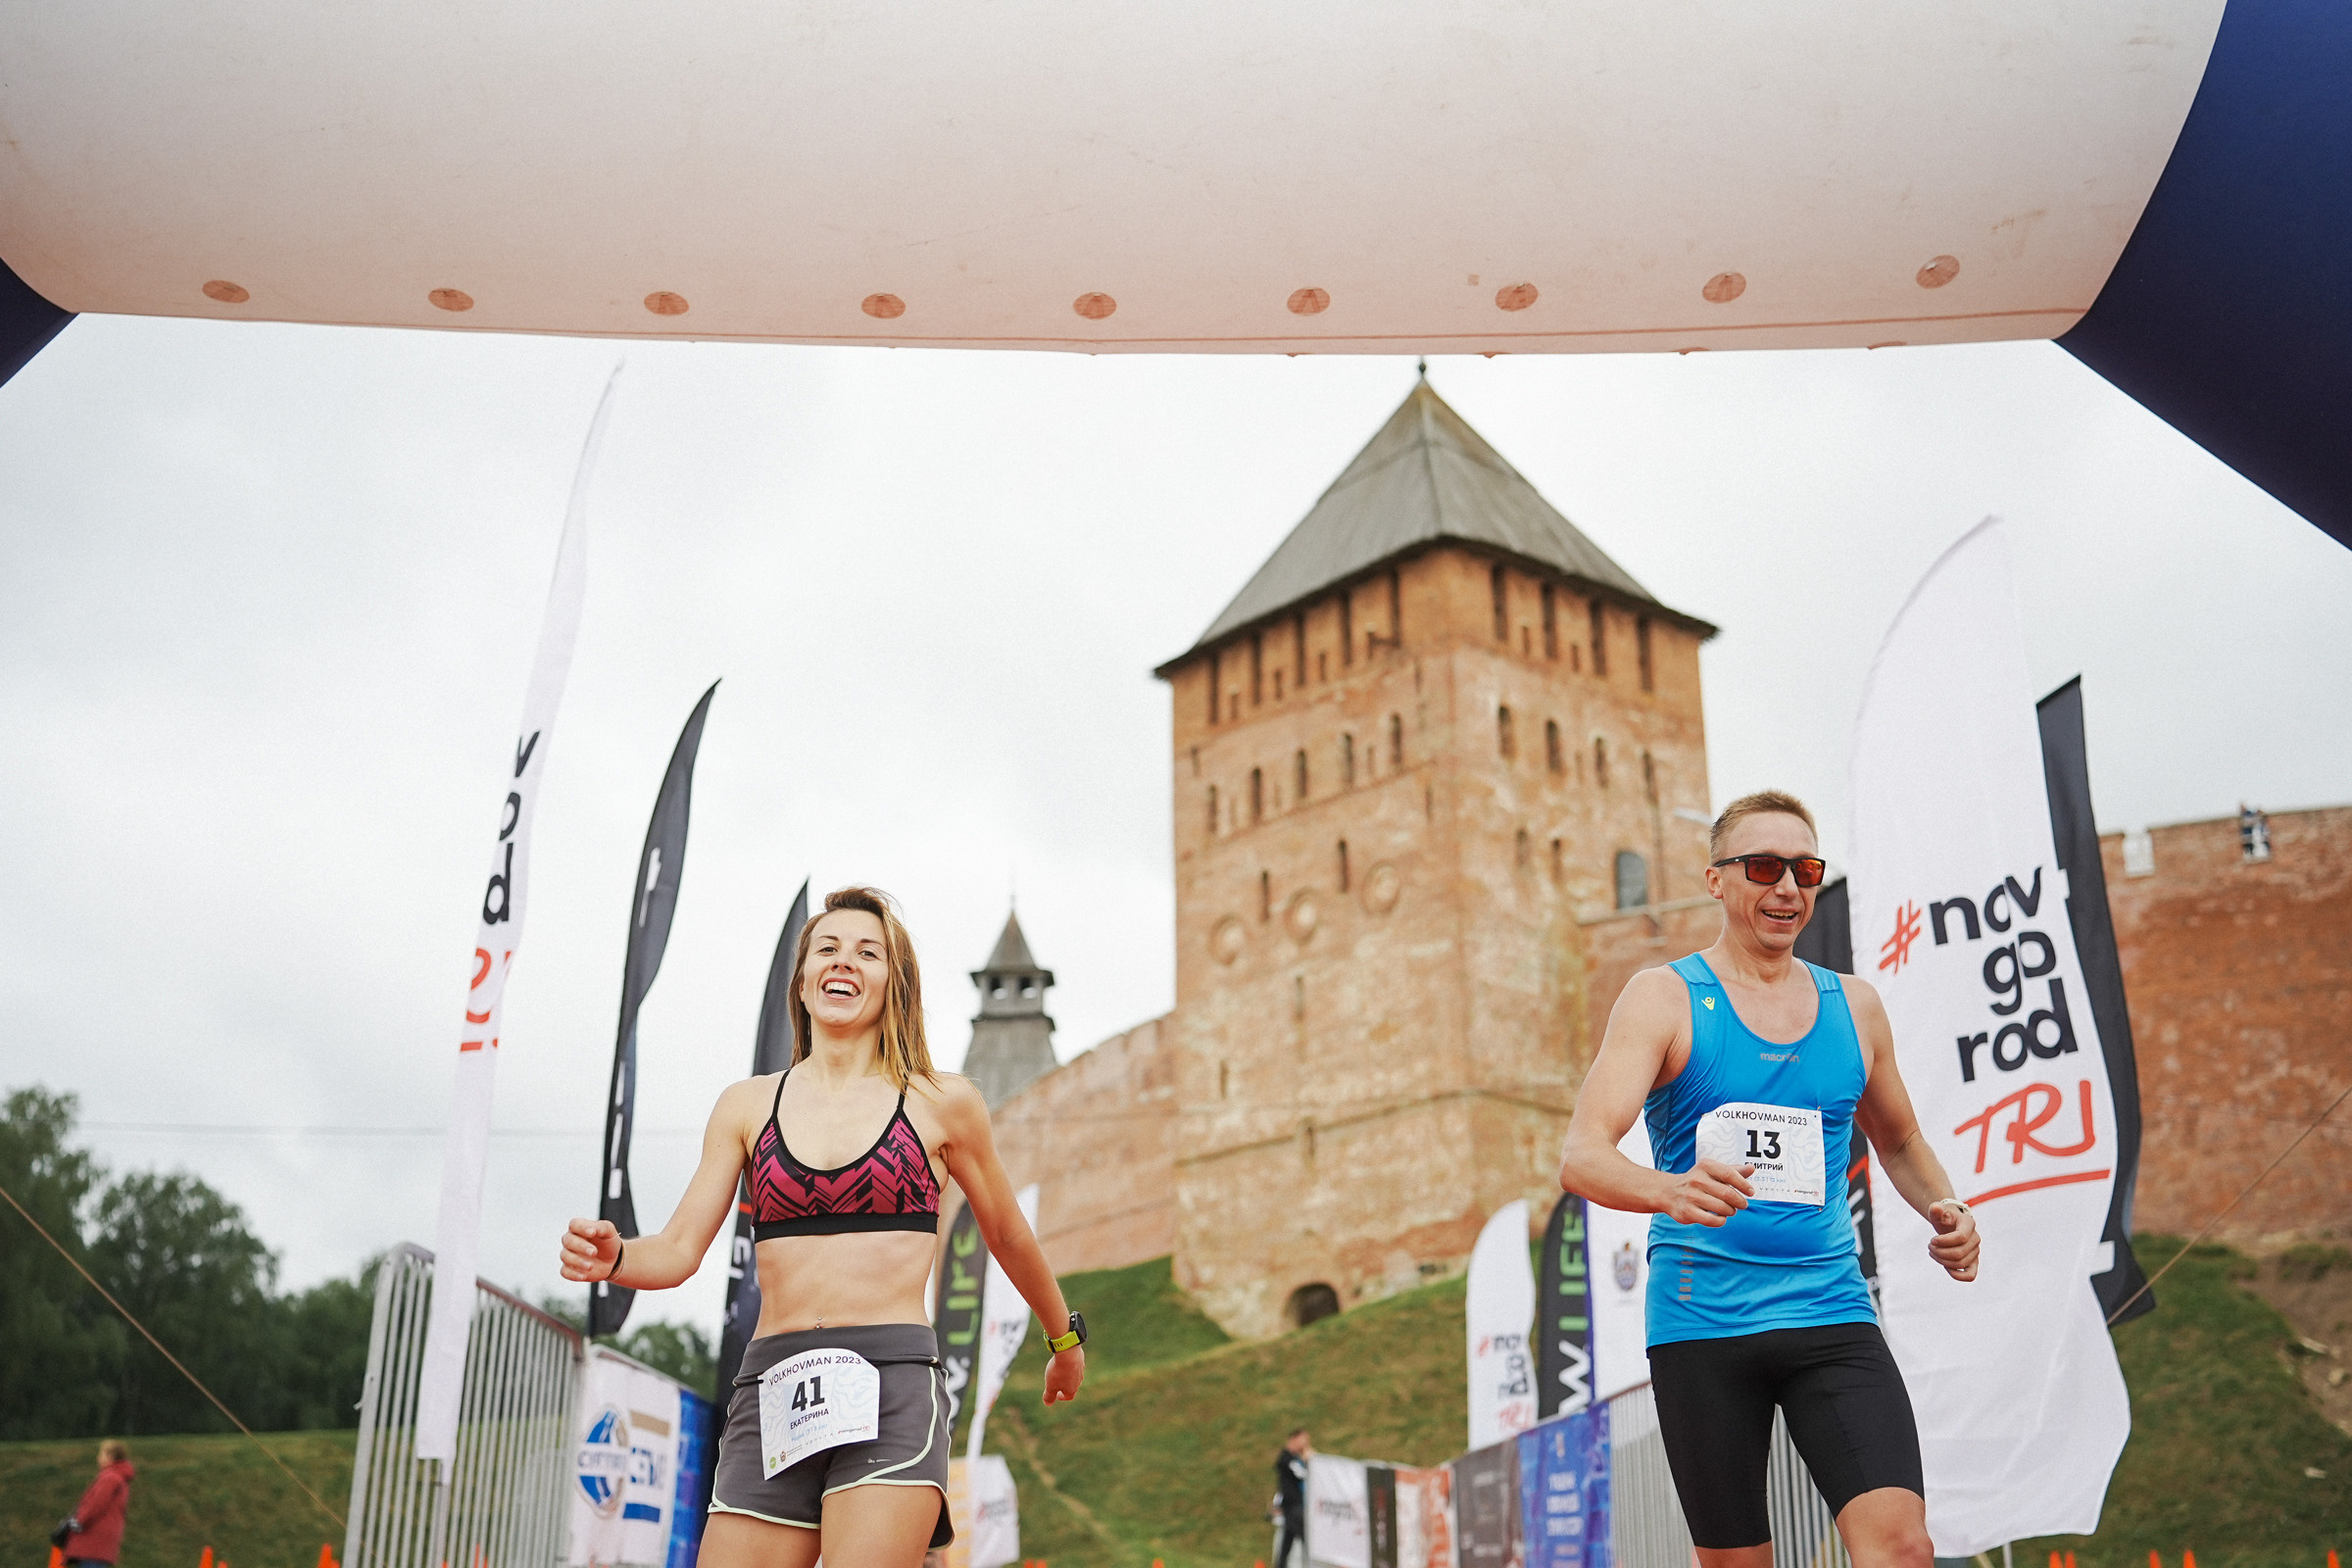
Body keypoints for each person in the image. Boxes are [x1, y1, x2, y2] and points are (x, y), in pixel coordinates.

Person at [561, 887, 1086, 1568]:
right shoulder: (746, 1106)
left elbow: (1009, 1235)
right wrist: (618, 1257)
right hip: (773, 1386)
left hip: (892, 1383)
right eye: (827, 949)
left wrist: (1064, 1337)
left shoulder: (942, 1102)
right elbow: (679, 1248)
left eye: (868, 952)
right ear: (804, 979)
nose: (845, 962)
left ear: (893, 983)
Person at [1557, 791, 1979, 1568]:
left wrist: (1945, 1204)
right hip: (1702, 1321)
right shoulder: (1667, 996)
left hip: (1829, 1308)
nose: (1788, 887)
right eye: (1764, 867)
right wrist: (1671, 1189)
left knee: (1903, 1545)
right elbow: (1582, 1155)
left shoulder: (1854, 1005)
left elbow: (1902, 1139)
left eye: (1806, 869)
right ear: (1717, 881)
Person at [58, 1441, 134, 1568]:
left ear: (110, 1457)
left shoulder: (110, 1477)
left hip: (94, 1539)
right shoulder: (118, 1477)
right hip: (103, 1539)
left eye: (101, 1454)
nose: (98, 1458)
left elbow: (95, 1504)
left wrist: (78, 1522)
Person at [1272, 1427, 1311, 1568]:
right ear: (1294, 1439)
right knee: (1308, 1540)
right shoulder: (1287, 1458)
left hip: (1294, 1506)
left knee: (1286, 1543)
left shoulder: (1294, 1459)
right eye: (1303, 1440)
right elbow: (1303, 1474)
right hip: (1293, 1506)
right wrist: (1309, 1461)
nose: (1306, 1444)